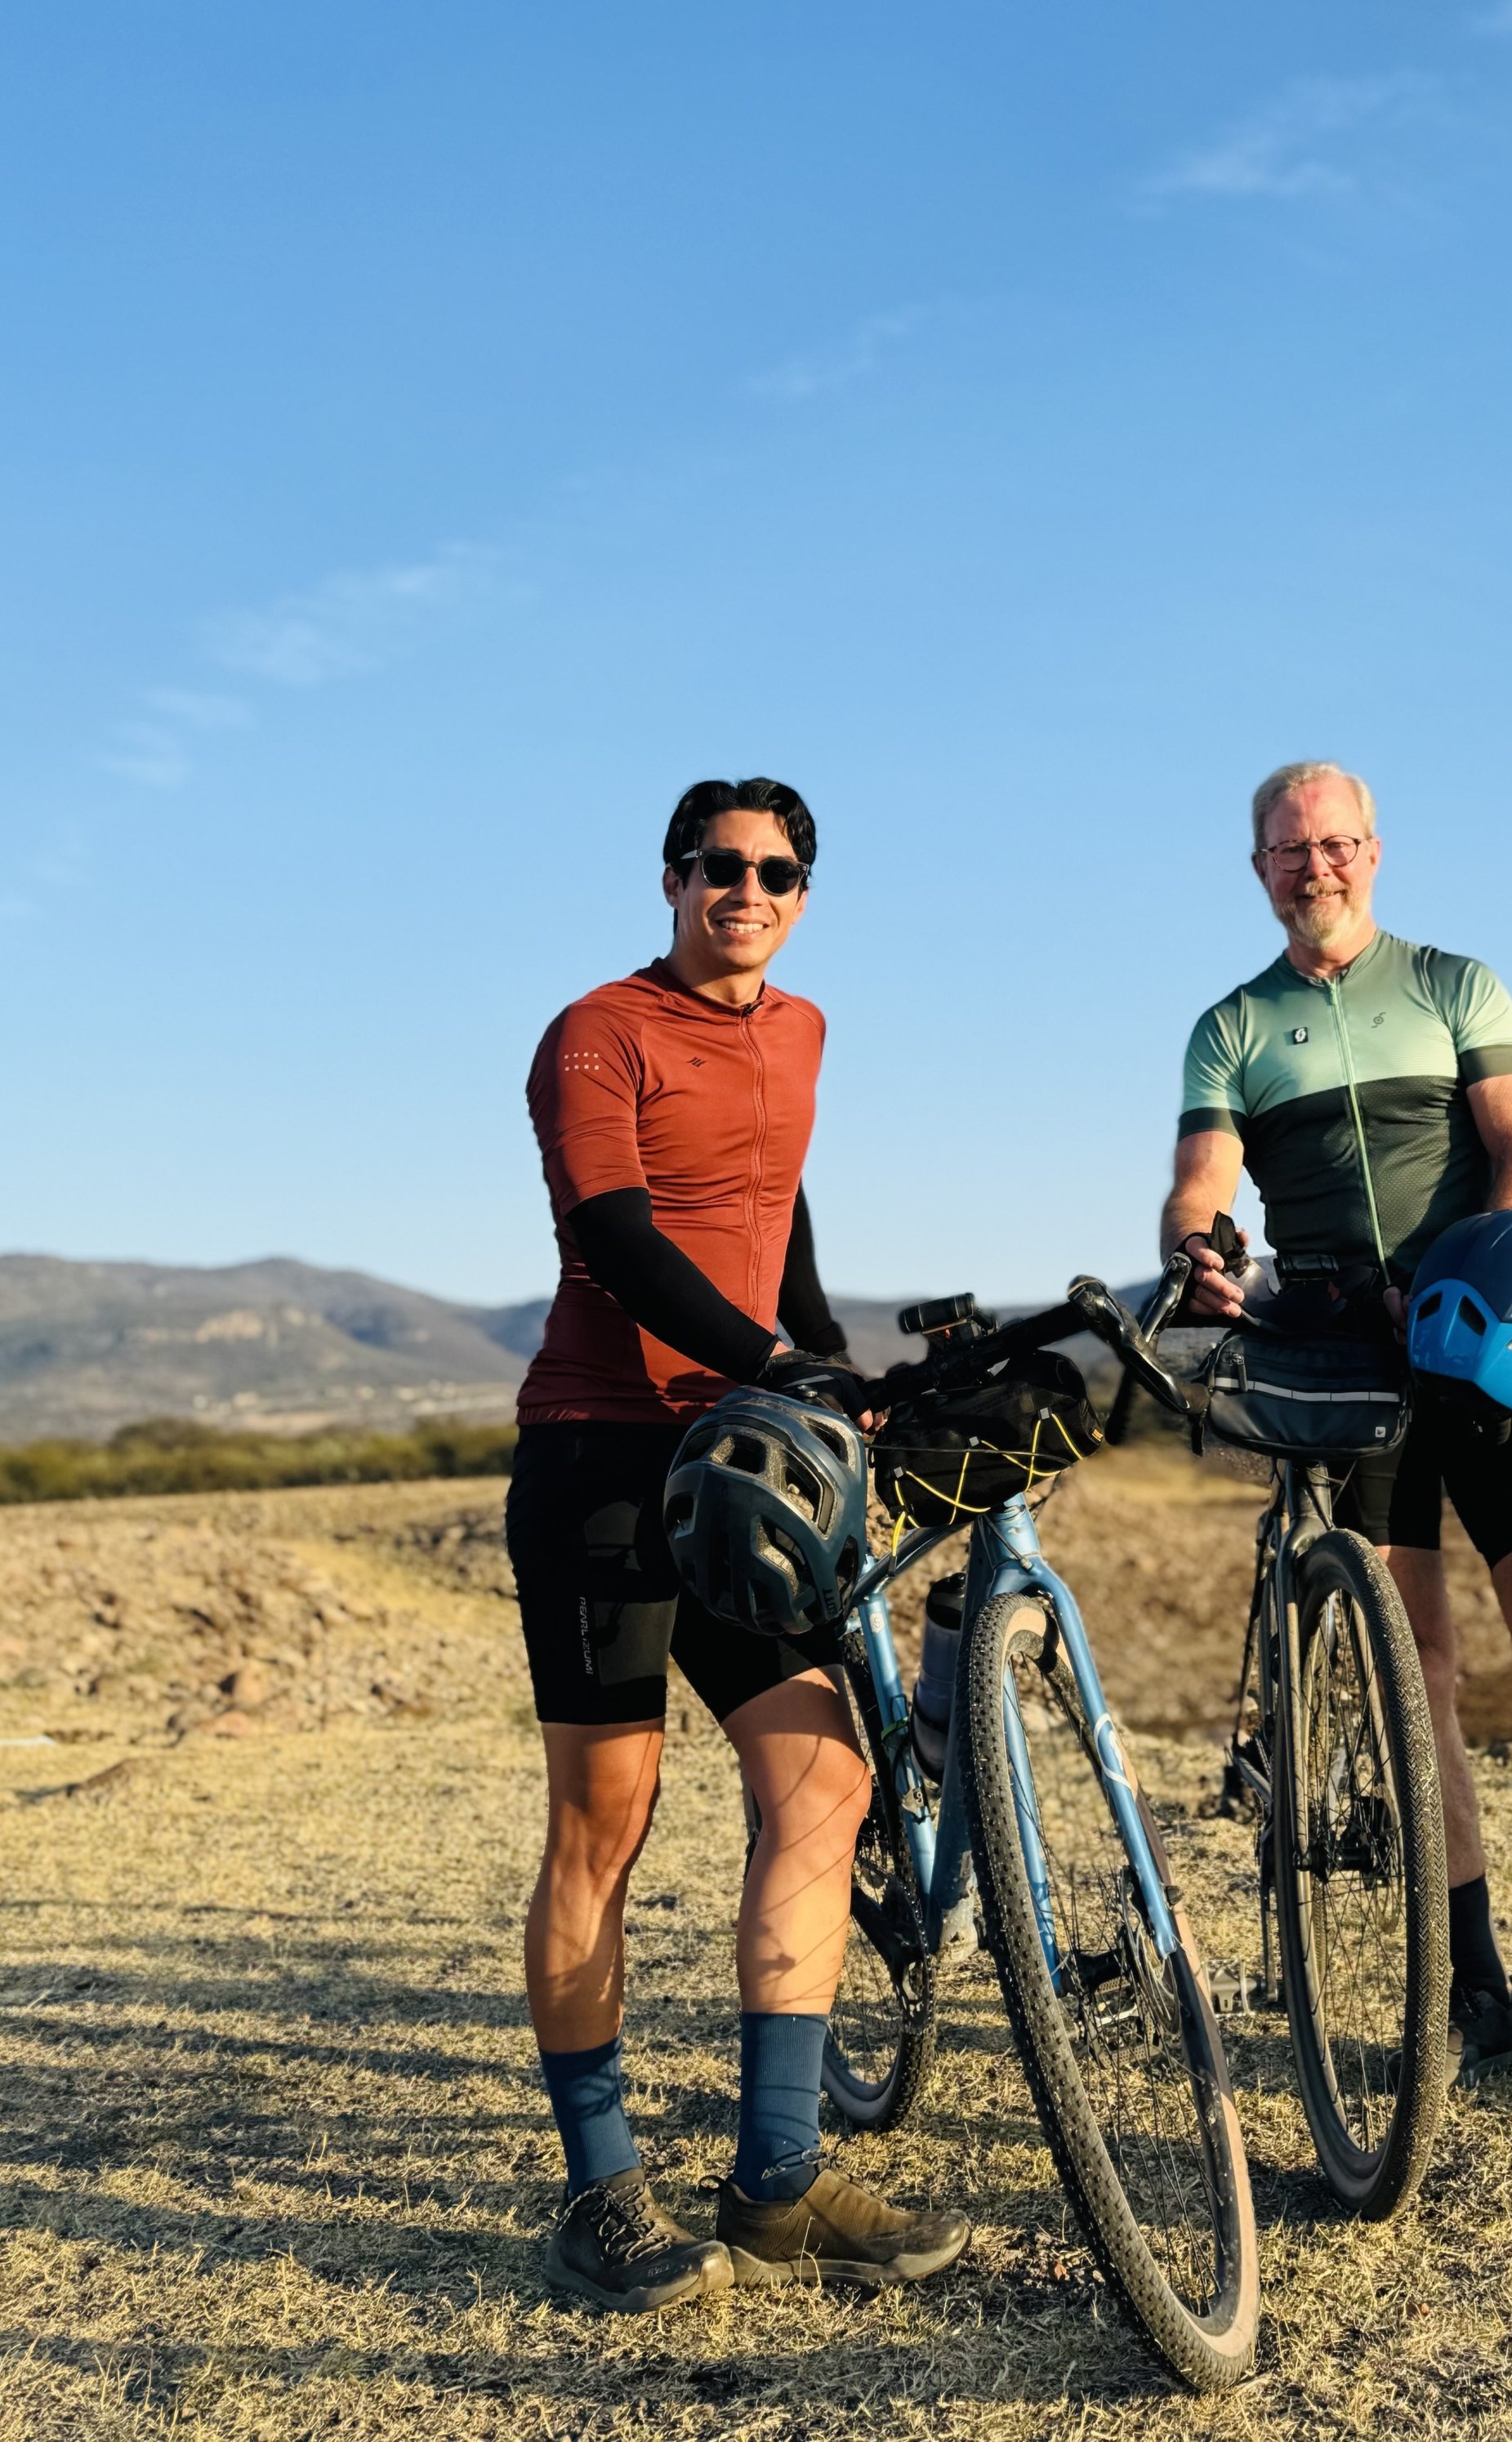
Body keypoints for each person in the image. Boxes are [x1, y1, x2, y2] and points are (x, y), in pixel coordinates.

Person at [1163, 759, 1512, 2114]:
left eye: (1339, 842)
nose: (1319, 866)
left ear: (1376, 851)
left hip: (1481, 1342)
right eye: (1291, 849)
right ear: (1259, 869)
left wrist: (1480, 1280)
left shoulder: (1454, 985)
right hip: (1338, 1362)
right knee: (1413, 1669)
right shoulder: (1231, 1027)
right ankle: (1469, 1986)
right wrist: (1199, 1255)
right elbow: (1199, 1183)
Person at [509, 775, 970, 2310]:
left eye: (775, 872)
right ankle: (600, 2190)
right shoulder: (598, 1028)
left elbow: (782, 1199)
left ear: (803, 894)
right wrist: (772, 1357)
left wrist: (827, 1358)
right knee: (607, 1822)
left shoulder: (804, 1030)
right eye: (719, 866)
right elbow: (617, 1232)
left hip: (749, 1455)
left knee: (825, 1778)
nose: (746, 891)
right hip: (603, 1458)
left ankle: (776, 2178)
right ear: (671, 877)